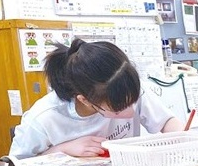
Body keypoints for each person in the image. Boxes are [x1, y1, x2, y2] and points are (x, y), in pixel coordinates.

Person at [10, 39, 182, 159]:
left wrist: (185, 139)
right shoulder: (44, 118)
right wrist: (62, 149)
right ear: (85, 100)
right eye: (118, 109)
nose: (130, 111)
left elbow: (167, 122)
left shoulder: (129, 89)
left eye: (134, 100)